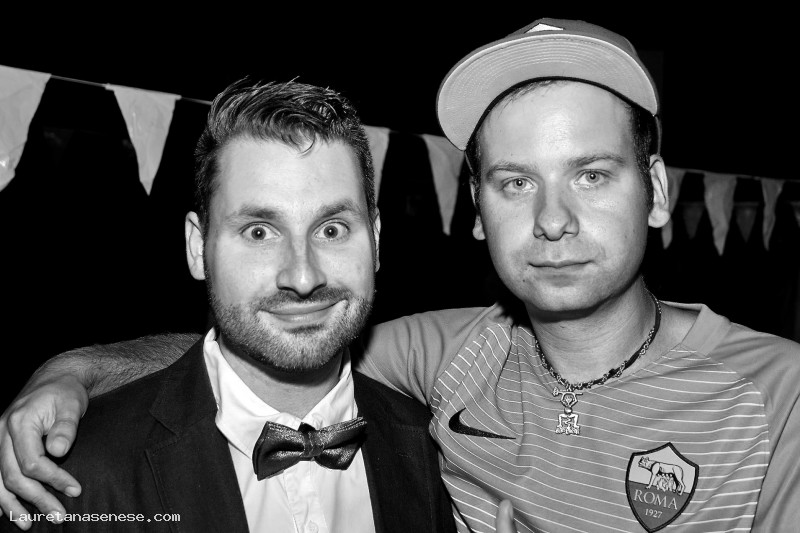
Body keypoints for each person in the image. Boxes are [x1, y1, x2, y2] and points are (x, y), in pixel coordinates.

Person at [2, 17, 799, 533]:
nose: (553, 219)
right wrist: (76, 372)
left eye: (591, 174)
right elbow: (274, 343)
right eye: (515, 181)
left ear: (655, 190)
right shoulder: (451, 359)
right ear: (478, 208)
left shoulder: (779, 393)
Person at [0, 78, 457, 532]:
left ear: (375, 239)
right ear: (197, 248)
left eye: (332, 229)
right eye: (259, 232)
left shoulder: (443, 456)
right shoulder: (75, 478)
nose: (303, 278)